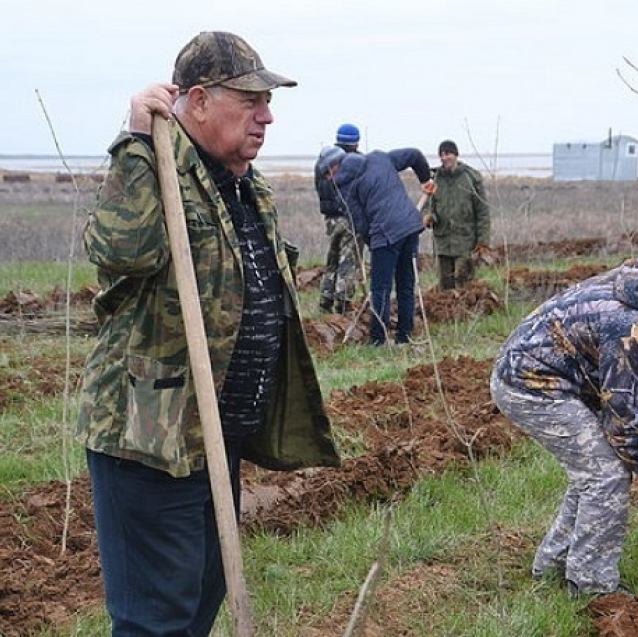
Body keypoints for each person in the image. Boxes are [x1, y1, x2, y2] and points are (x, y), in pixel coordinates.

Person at [76, 31, 340, 635]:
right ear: (197, 101)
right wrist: (138, 137)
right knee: (156, 618)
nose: (267, 115)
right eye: (250, 101)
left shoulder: (248, 186)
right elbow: (119, 249)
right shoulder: (159, 168)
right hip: (151, 440)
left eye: (267, 103)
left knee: (197, 602)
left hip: (216, 439)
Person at [490, 250, 638, 596]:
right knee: (606, 473)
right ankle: (592, 586)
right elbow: (625, 426)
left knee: (594, 469)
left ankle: (553, 565)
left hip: (553, 372)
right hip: (530, 383)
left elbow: (623, 410)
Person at [317, 146, 435, 345]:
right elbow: (415, 155)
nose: (328, 179)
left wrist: (373, 245)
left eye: (328, 173)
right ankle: (404, 336)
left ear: (336, 165)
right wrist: (426, 179)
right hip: (410, 227)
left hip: (385, 234)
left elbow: (360, 222)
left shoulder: (344, 188)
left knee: (380, 289)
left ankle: (378, 339)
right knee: (406, 285)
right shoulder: (380, 158)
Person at [315, 123, 366, 314]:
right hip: (349, 218)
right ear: (354, 142)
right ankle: (343, 305)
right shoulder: (352, 162)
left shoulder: (323, 159)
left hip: (330, 220)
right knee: (348, 261)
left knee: (332, 260)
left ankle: (325, 301)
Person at [426, 140, 491, 289]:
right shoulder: (435, 179)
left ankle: (464, 313)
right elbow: (427, 206)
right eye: (441, 155)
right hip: (442, 243)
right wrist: (428, 217)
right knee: (445, 288)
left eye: (447, 154)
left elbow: (482, 212)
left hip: (466, 243)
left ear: (455, 155)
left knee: (464, 286)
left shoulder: (471, 178)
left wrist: (483, 243)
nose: (444, 158)